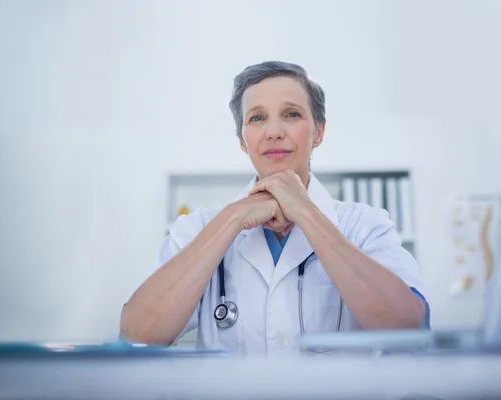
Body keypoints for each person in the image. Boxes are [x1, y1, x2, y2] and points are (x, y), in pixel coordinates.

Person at [120, 61, 430, 354]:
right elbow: (137, 335)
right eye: (256, 118)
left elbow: (407, 329)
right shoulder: (197, 229)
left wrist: (305, 212)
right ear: (243, 140)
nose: (273, 131)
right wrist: (233, 216)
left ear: (319, 132)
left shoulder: (365, 225)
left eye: (292, 114)